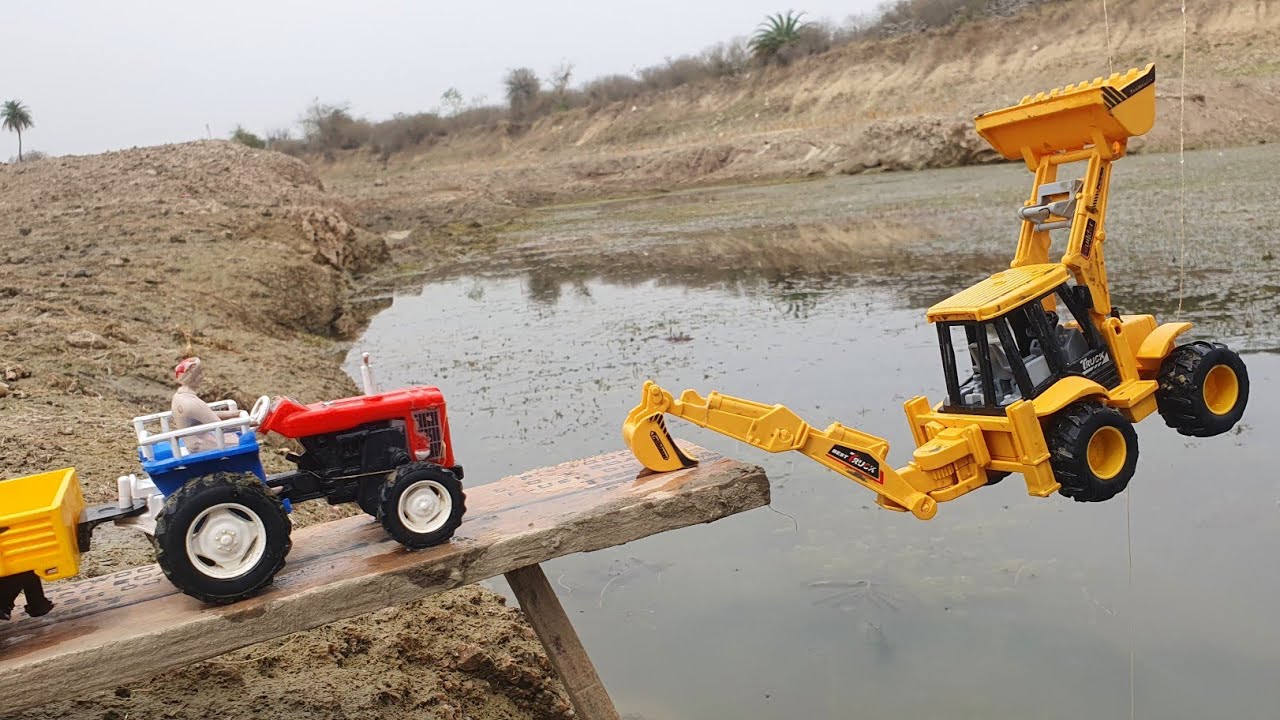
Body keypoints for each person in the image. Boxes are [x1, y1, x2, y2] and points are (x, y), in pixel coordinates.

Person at [172, 357, 242, 453]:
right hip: (200, 446)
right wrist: (249, 423)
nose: (202, 376)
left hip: (194, 442)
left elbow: (208, 415)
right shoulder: (192, 403)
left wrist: (235, 414)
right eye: (199, 373)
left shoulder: (179, 396)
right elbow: (219, 425)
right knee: (242, 442)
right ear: (192, 377)